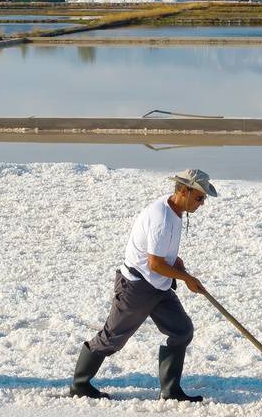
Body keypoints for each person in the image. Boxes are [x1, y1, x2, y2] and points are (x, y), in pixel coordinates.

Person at [71, 169, 217, 403]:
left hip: (158, 285)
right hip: (136, 287)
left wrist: (177, 264)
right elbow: (155, 263)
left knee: (182, 331)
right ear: (182, 190)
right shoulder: (160, 216)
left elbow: (163, 258)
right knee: (112, 339)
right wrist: (187, 279)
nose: (202, 203)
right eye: (199, 197)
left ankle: (170, 391)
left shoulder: (176, 211)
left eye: (204, 199)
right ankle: (80, 384)